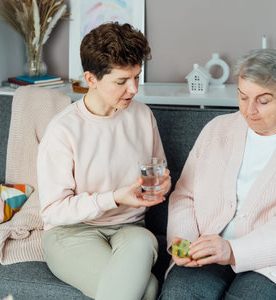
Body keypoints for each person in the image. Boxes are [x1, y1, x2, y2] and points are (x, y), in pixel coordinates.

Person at [160, 49, 276, 300]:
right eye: (243, 97)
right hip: (209, 248)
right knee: (180, 293)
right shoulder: (216, 130)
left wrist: (233, 251)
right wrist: (184, 241)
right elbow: (185, 194)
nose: (250, 110)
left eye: (263, 101)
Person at [37, 22, 171, 300]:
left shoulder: (143, 116)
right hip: (72, 233)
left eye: (136, 77)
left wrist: (162, 186)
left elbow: (157, 171)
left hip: (133, 228)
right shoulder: (64, 130)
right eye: (121, 81)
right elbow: (52, 211)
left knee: (143, 246)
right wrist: (115, 198)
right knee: (147, 289)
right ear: (91, 79)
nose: (133, 89)